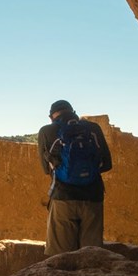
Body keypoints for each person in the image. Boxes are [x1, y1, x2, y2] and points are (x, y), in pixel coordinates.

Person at [37, 99, 112, 255]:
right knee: (91, 255)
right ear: (73, 112)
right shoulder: (93, 128)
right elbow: (107, 164)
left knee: (60, 256)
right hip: (93, 197)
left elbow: (46, 170)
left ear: (51, 117)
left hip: (63, 198)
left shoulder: (46, 131)